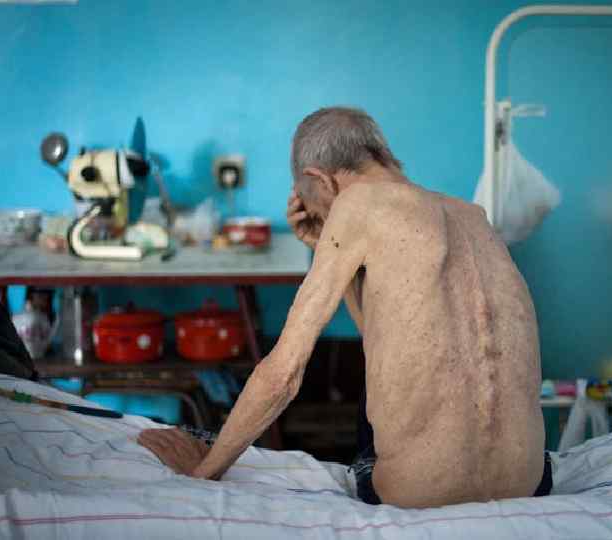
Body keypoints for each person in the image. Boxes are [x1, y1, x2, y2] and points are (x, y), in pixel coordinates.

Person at [139, 107, 550, 508]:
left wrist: (203, 472)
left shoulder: (357, 204)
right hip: (528, 483)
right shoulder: (473, 216)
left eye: (317, 207)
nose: (325, 218)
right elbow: (389, 345)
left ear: (321, 179)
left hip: (419, 496)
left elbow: (283, 374)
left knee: (213, 435)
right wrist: (326, 245)